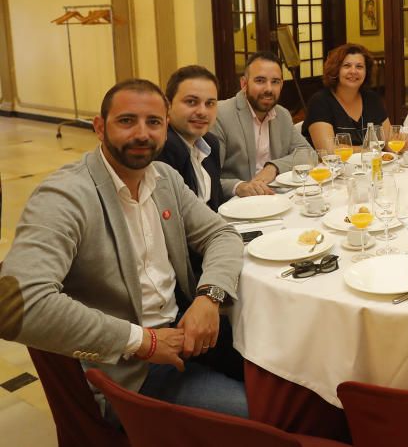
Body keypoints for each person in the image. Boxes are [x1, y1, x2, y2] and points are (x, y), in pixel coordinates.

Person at [0, 79, 247, 419]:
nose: (142, 134)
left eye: (154, 122)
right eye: (127, 121)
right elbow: (16, 304)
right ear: (99, 128)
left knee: (284, 377)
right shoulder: (66, 196)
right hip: (126, 370)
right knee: (255, 415)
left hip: (182, 331)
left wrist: (209, 295)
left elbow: (221, 233)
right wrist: (143, 342)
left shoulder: (164, 177)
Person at [211, 51, 313, 199]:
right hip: (238, 205)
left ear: (282, 85)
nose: (268, 89)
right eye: (260, 81)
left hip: (277, 199)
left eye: (275, 82)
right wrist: (239, 187)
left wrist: (274, 167)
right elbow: (207, 178)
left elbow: (308, 154)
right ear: (244, 84)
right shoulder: (220, 115)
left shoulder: (282, 115)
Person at [157, 65, 223, 211]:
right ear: (168, 105)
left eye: (210, 103)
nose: (202, 112)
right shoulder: (161, 148)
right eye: (191, 102)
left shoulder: (211, 143)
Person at [302, 42, 389, 150]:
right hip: (332, 167)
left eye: (359, 66)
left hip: (372, 166)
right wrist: (368, 150)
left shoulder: (372, 99)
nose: (353, 71)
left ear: (367, 71)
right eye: (347, 66)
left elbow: (388, 142)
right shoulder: (320, 102)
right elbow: (329, 150)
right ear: (336, 70)